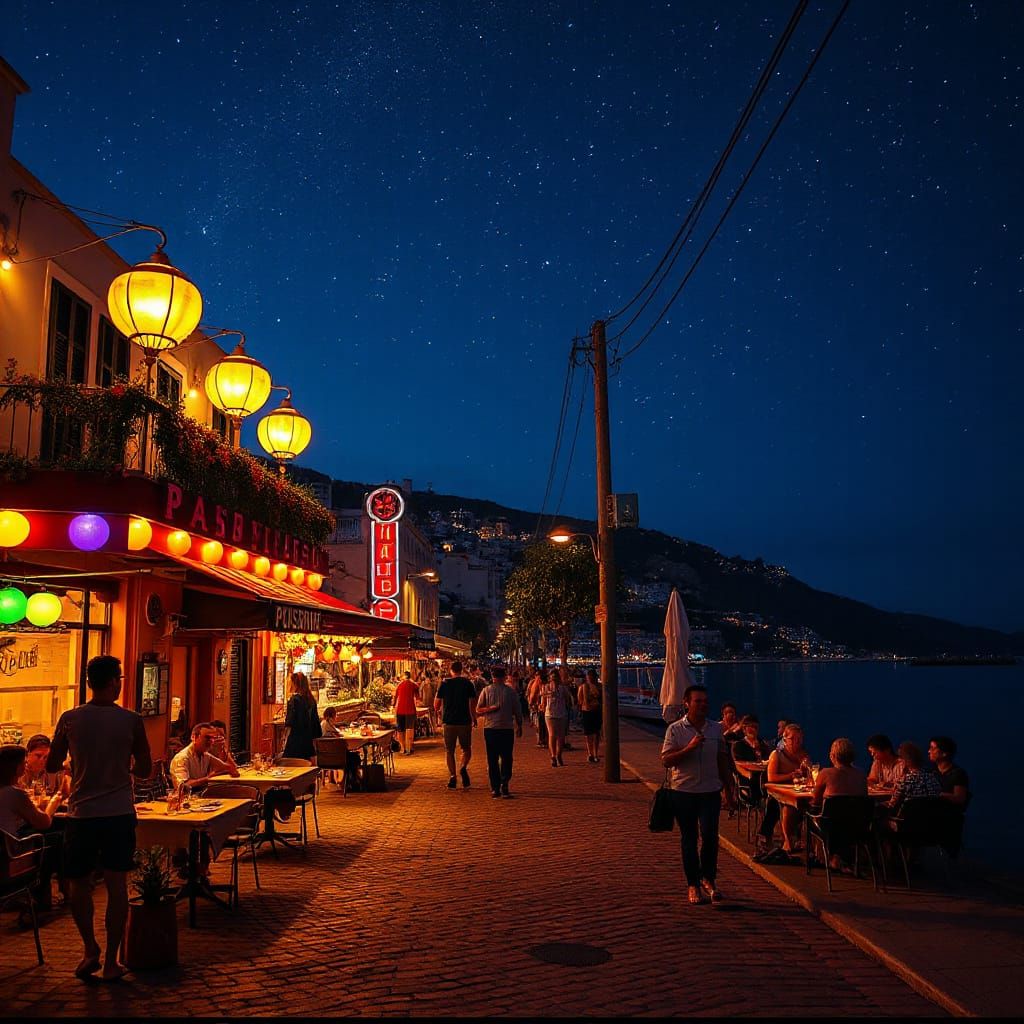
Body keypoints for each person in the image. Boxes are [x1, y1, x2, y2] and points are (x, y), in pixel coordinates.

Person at [46, 654, 152, 982]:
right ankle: (111, 961)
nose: (120, 683)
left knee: (78, 883)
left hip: (81, 813)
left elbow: (51, 764)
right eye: (119, 678)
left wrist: (76, 765)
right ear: (113, 682)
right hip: (119, 811)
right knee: (116, 884)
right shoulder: (131, 720)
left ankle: (89, 947)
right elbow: (146, 770)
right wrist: (122, 767)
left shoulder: (69, 719)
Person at [660, 684, 736, 904]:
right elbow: (666, 760)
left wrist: (729, 789)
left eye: (705, 701)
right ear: (687, 703)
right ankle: (692, 884)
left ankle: (709, 878)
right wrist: (689, 748)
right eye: (698, 701)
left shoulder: (715, 729)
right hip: (683, 791)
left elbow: (722, 759)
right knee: (689, 838)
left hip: (710, 791)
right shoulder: (675, 730)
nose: (703, 705)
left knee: (711, 837)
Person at [0, 744, 66, 909]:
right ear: (16, 768)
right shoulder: (13, 793)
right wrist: (55, 801)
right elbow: (44, 822)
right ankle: (42, 896)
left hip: (4, 847)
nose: (26, 765)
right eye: (23, 762)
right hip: (11, 855)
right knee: (55, 838)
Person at [475, 665, 523, 798]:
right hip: (506, 729)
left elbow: (478, 710)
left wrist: (488, 709)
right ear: (504, 676)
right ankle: (504, 783)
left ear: (492, 677)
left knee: (492, 759)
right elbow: (518, 710)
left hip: (491, 729)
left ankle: (495, 787)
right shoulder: (511, 692)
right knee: (507, 757)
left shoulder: (486, 691)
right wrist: (519, 725)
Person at [764, 723, 811, 853]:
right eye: (793, 739)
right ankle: (787, 840)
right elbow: (771, 778)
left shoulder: (803, 755)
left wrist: (806, 770)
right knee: (788, 807)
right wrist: (790, 775)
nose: (797, 742)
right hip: (780, 792)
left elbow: (810, 777)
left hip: (797, 791)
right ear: (785, 740)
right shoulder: (776, 755)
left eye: (800, 739)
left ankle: (806, 842)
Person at [435, 660, 478, 789]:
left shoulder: (445, 684)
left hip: (448, 721)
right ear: (462, 670)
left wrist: (440, 711)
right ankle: (463, 767)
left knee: (450, 751)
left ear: (451, 670)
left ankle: (453, 776)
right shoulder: (468, 683)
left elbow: (436, 705)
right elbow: (472, 704)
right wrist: (474, 717)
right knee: (466, 749)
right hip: (464, 721)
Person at [169, 723, 240, 788]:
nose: (211, 741)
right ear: (194, 737)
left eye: (213, 738)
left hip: (201, 795)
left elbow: (231, 769)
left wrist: (222, 749)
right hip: (186, 798)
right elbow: (183, 786)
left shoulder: (205, 755)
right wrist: (208, 779)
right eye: (207, 738)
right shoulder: (182, 758)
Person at [887, 741, 941, 816]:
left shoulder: (905, 780)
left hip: (906, 821)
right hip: (930, 821)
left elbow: (892, 805)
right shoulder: (933, 778)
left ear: (905, 760)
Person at [283, 672, 322, 759]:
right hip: (308, 743)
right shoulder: (311, 700)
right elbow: (316, 726)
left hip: (295, 742)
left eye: (290, 682)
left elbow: (290, 723)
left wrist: (284, 741)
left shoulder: (294, 700)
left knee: (291, 768)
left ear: (295, 684)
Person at [541, 669, 573, 767]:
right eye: (552, 677)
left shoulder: (563, 688)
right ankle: (553, 756)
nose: (553, 679)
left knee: (561, 736)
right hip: (550, 714)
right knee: (552, 735)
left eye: (555, 676)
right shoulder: (546, 687)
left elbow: (568, 699)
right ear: (549, 678)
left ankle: (559, 754)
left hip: (561, 713)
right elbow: (543, 701)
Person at [928, 735, 970, 807]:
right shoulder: (931, 772)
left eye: (932, 748)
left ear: (944, 753)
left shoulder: (958, 774)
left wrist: (938, 794)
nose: (929, 751)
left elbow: (959, 798)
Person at [392, 671, 421, 755]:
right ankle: (409, 748)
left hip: (400, 710)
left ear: (403, 677)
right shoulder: (414, 685)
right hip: (410, 710)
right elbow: (418, 697)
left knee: (400, 730)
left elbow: (395, 698)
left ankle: (403, 748)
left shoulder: (399, 685)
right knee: (410, 729)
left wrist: (393, 705)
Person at [577, 668, 603, 763]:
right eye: (589, 676)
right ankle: (590, 753)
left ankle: (595, 753)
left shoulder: (600, 687)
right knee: (589, 734)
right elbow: (580, 700)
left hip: (596, 711)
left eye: (592, 676)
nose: (591, 678)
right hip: (587, 711)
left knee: (596, 733)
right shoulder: (583, 687)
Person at [527, 668, 549, 748]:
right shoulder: (536, 683)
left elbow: (532, 695)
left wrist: (531, 704)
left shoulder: (536, 683)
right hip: (540, 706)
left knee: (540, 724)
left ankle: (542, 740)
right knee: (540, 724)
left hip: (540, 706)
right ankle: (542, 740)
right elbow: (532, 695)